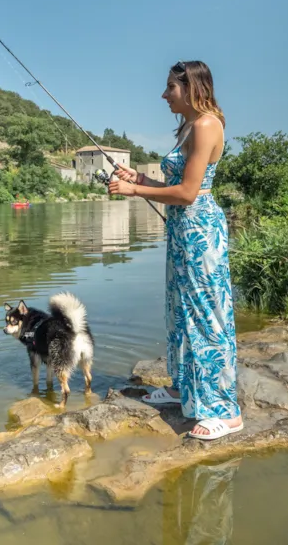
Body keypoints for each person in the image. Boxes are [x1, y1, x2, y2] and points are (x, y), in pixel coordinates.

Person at [109, 60, 243, 441]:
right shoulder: (188, 127)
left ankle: (225, 411)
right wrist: (142, 178)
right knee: (181, 310)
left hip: (200, 231)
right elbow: (179, 183)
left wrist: (135, 191)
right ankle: (185, 389)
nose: (164, 94)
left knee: (205, 313)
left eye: (171, 87)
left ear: (192, 87)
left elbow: (188, 193)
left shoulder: (206, 125)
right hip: (184, 230)